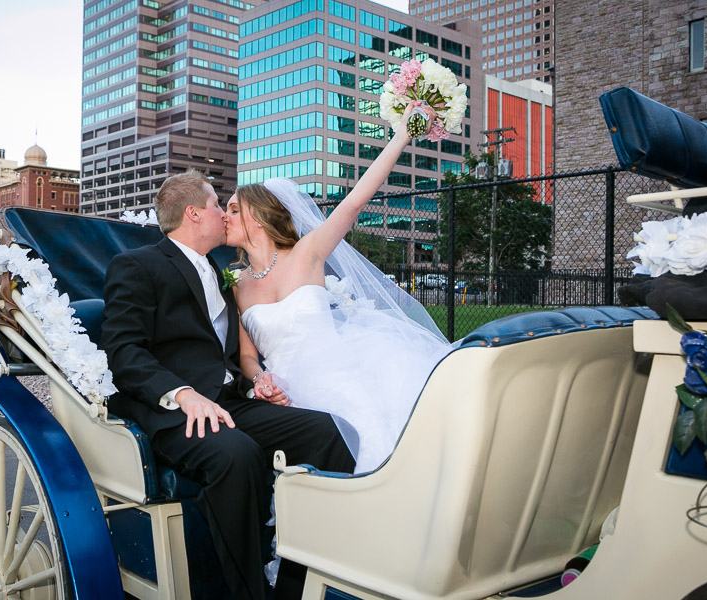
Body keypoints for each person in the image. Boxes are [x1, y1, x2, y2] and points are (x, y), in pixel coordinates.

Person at [100, 169, 355, 600]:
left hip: (230, 400)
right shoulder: (137, 265)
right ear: (194, 214)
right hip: (174, 410)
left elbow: (234, 355)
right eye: (218, 205)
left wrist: (257, 384)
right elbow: (123, 352)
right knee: (238, 456)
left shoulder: (223, 275)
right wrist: (182, 394)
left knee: (326, 432)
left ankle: (296, 582)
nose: (225, 212)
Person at [226, 101, 453, 473]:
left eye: (235, 208)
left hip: (342, 370)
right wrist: (261, 379)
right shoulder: (237, 283)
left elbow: (356, 200)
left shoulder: (307, 253)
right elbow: (247, 356)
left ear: (261, 217)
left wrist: (402, 135)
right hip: (287, 392)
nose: (225, 215)